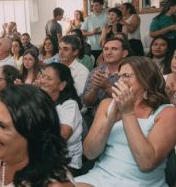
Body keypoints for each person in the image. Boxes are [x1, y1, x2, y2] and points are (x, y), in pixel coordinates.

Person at [76, 56, 176, 186]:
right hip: (100, 177)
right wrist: (110, 120)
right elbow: (89, 153)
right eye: (119, 76)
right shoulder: (107, 104)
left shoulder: (167, 112)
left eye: (126, 76)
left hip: (140, 183)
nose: (120, 82)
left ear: (145, 79)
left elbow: (146, 163)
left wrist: (128, 113)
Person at [39, 63, 83, 176]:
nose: (43, 81)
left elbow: (63, 135)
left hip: (66, 164)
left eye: (49, 78)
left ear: (62, 85)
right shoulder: (41, 101)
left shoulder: (70, 105)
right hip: (42, 158)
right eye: (42, 76)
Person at [82, 37, 130, 126]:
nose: (108, 52)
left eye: (114, 49)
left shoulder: (131, 72)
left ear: (124, 53)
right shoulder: (96, 71)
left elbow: (129, 101)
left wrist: (107, 86)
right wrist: (94, 89)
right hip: (95, 118)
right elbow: (86, 102)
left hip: (122, 119)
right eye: (106, 49)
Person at [81, 0, 108, 64]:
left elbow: (111, 31)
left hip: (104, 47)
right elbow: (83, 33)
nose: (94, 7)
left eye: (96, 5)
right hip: (91, 47)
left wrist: (102, 32)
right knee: (91, 66)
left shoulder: (107, 17)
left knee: (102, 67)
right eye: (93, 6)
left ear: (102, 6)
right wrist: (92, 32)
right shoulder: (88, 18)